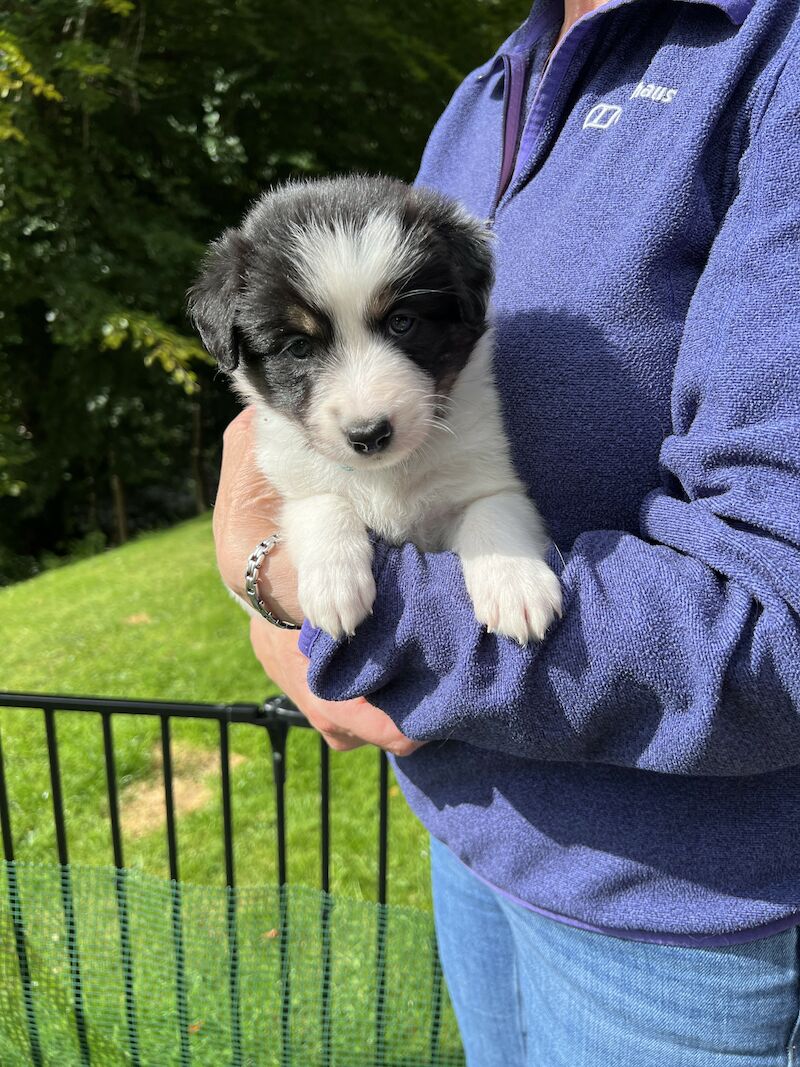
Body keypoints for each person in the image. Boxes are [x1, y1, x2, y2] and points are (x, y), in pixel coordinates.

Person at [213, 0, 800, 1062]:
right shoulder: (485, 91)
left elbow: (775, 618)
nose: (360, 393)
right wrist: (276, 555)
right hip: (469, 831)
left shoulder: (769, 56)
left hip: (675, 915)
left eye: (400, 326)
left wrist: (306, 592)